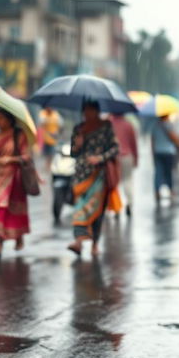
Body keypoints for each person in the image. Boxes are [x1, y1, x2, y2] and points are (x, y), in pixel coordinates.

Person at [68, 101, 119, 257]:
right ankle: (78, 241)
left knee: (97, 210)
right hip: (81, 175)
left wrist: (100, 158)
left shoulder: (106, 127)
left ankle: (95, 243)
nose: (87, 114)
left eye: (91, 111)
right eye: (85, 111)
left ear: (97, 111)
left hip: (99, 175)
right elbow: (73, 153)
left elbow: (115, 148)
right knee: (79, 208)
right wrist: (77, 146)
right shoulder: (78, 129)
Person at [0, 110, 31, 260]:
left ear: (10, 119)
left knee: (8, 209)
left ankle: (8, 240)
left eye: (1, 118)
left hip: (14, 178)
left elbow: (26, 156)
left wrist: (10, 159)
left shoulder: (19, 136)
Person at [110, 113, 138, 217]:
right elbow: (133, 143)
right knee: (127, 180)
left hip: (113, 156)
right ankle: (129, 203)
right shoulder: (128, 125)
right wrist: (136, 157)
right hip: (127, 156)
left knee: (115, 182)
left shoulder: (109, 123)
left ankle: (116, 207)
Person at [151, 113, 179, 205]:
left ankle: (157, 191)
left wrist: (153, 153)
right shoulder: (169, 125)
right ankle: (170, 190)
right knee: (168, 172)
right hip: (168, 152)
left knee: (158, 172)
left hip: (157, 152)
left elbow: (152, 140)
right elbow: (174, 138)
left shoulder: (155, 125)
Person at [38, 106, 62, 170]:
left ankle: (48, 165)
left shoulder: (56, 115)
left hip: (53, 139)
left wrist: (57, 132)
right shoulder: (43, 113)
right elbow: (41, 123)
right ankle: (46, 165)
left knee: (51, 153)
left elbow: (61, 125)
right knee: (45, 153)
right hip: (45, 138)